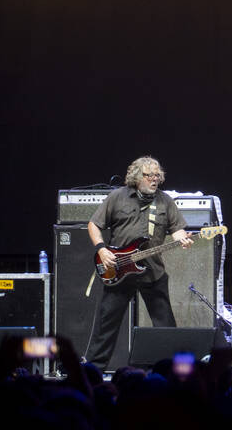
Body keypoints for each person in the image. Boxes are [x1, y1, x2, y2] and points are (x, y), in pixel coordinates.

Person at [83, 155, 193, 367]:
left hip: (153, 273)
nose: (154, 179)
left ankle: (173, 370)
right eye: (149, 175)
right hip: (119, 270)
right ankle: (93, 371)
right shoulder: (117, 197)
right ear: (136, 177)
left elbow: (177, 229)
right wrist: (102, 249)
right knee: (106, 326)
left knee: (165, 326)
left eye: (157, 175)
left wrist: (182, 238)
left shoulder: (165, 201)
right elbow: (94, 225)